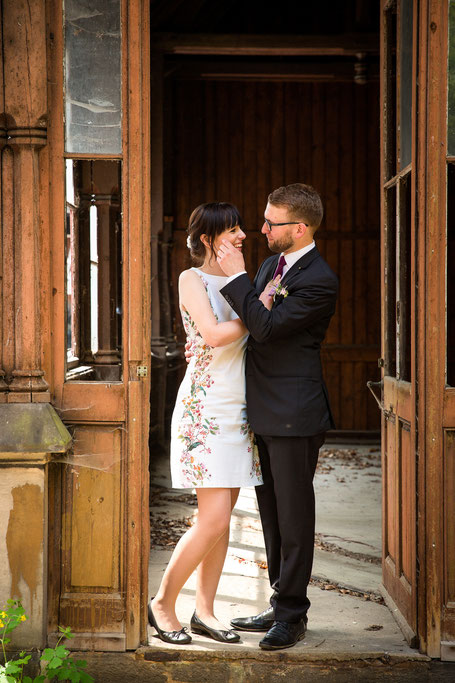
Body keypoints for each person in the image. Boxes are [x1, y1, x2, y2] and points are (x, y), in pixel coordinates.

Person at [216, 183, 338, 651]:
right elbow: (249, 323)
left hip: (294, 412)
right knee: (268, 512)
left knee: (294, 515)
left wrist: (236, 278)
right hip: (262, 408)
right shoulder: (273, 265)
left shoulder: (319, 280)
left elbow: (263, 328)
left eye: (272, 222)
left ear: (300, 228)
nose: (262, 228)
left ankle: (293, 615)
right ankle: (279, 600)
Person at [148, 202, 268, 645]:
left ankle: (205, 610)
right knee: (214, 519)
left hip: (240, 409)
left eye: (240, 229)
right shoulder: (191, 279)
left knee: (222, 517)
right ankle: (162, 603)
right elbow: (215, 336)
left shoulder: (243, 280)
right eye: (232, 230)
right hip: (205, 406)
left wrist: (257, 302)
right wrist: (260, 308)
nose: (241, 236)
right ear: (206, 239)